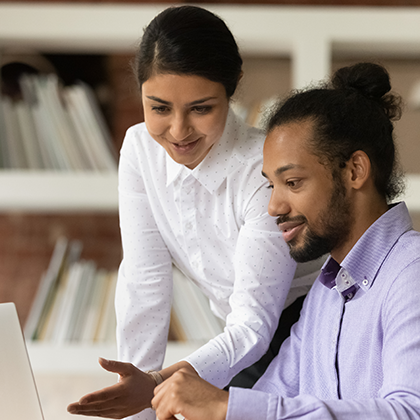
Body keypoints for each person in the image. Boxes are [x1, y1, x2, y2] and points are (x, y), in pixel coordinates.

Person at [67, 5, 322, 420]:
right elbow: (144, 282)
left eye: (201, 108)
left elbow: (255, 324)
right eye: (160, 108)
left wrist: (154, 387)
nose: (179, 131)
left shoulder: (263, 169)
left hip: (304, 326)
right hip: (239, 335)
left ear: (232, 88)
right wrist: (138, 401)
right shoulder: (139, 150)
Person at [144, 62, 420, 420]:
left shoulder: (411, 275)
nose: (273, 206)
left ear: (354, 171)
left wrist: (227, 406)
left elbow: (410, 412)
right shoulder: (325, 294)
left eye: (292, 183)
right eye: (271, 185)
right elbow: (271, 398)